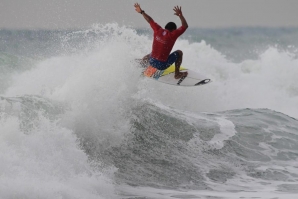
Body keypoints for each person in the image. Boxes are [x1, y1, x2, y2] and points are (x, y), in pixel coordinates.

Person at [134, 3, 188, 79]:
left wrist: (141, 12)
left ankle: (140, 64)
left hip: (151, 61)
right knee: (179, 52)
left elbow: (149, 20)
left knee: (149, 55)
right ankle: (177, 74)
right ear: (173, 30)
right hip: (162, 65)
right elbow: (185, 26)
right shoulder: (173, 34)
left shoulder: (157, 29)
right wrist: (180, 15)